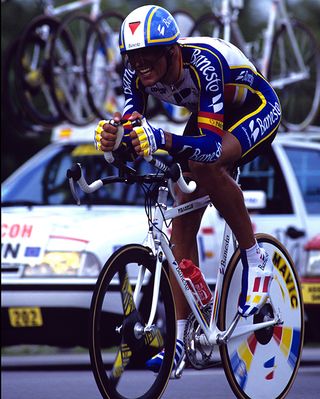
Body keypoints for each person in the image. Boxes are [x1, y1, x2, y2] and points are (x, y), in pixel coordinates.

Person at [94, 5, 281, 373]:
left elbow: (210, 148)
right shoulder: (136, 72)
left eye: (148, 55)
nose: (140, 64)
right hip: (211, 115)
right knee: (180, 211)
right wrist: (114, 141)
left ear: (171, 51)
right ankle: (182, 337)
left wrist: (161, 137)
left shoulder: (205, 64)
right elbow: (133, 129)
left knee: (202, 163)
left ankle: (255, 257)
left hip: (255, 108)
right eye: (134, 57)